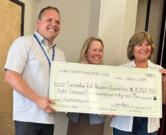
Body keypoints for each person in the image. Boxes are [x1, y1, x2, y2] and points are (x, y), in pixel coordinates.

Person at [4, 6, 66, 135]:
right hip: (27, 118)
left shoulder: (60, 54)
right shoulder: (23, 43)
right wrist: (38, 100)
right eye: (49, 20)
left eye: (57, 22)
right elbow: (10, 75)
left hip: (49, 119)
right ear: (38, 22)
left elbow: (64, 84)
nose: (54, 24)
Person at [111, 31, 166, 135]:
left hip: (148, 125)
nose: (144, 48)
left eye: (147, 44)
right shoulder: (121, 70)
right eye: (139, 44)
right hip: (123, 124)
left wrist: (163, 83)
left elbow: (164, 101)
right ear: (132, 48)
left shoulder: (158, 71)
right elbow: (112, 97)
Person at [67, 37, 106, 135]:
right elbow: (67, 95)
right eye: (94, 50)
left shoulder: (106, 75)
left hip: (96, 121)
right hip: (77, 120)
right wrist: (82, 74)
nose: (98, 53)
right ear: (86, 52)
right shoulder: (73, 72)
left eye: (100, 50)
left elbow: (107, 99)